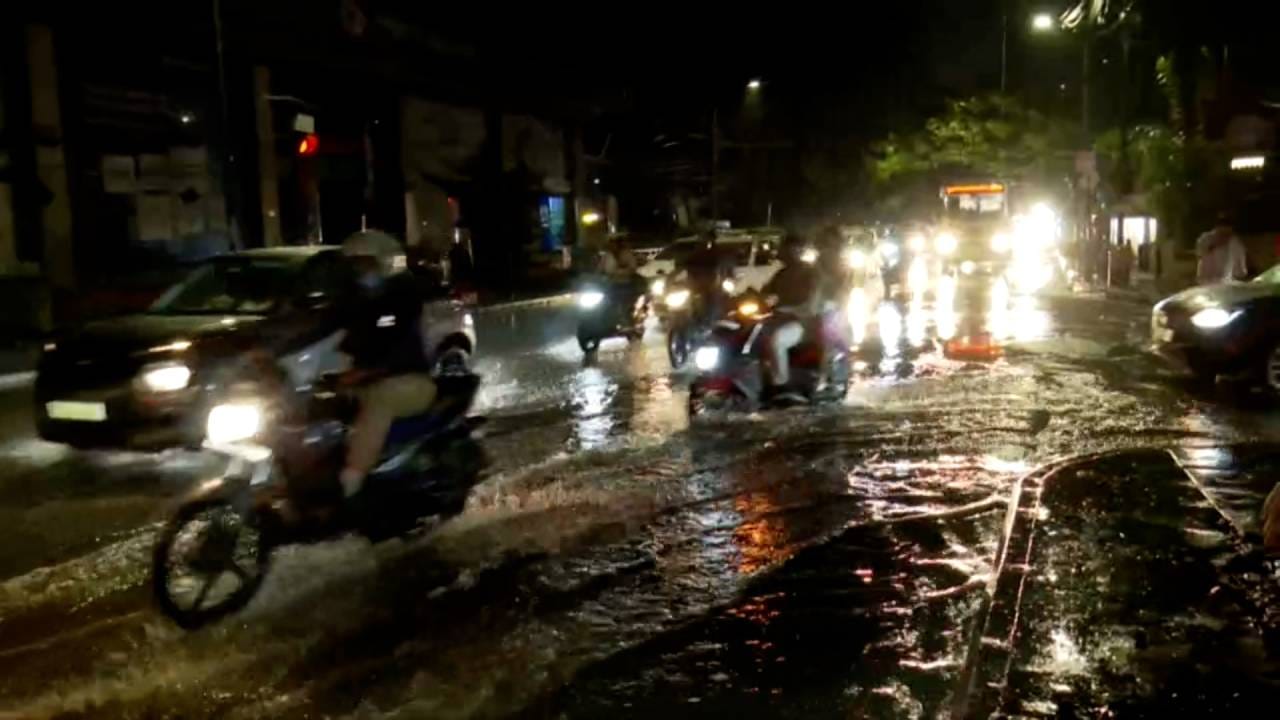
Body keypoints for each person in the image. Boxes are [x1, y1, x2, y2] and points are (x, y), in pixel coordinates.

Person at [335, 230, 437, 499]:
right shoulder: (357, 303)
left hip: (409, 381)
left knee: (379, 400)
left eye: (366, 263)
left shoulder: (403, 299)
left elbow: (400, 349)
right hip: (366, 379)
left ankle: (353, 478)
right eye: (356, 265)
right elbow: (331, 335)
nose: (361, 271)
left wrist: (366, 370)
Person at [760, 232, 823, 402]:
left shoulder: (810, 273)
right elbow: (767, 293)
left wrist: (788, 310)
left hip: (803, 324)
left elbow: (811, 304)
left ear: (797, 250)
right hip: (778, 320)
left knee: (777, 341)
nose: (782, 252)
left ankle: (781, 383)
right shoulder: (781, 274)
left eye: (787, 248)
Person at [1195, 215, 1248, 285]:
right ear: (1217, 228)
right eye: (1222, 233)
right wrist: (1214, 245)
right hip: (1206, 280)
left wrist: (1241, 272)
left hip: (1226, 281)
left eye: (1228, 233)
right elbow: (1200, 253)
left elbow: (1240, 261)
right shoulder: (1206, 238)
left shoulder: (1234, 242)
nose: (1225, 236)